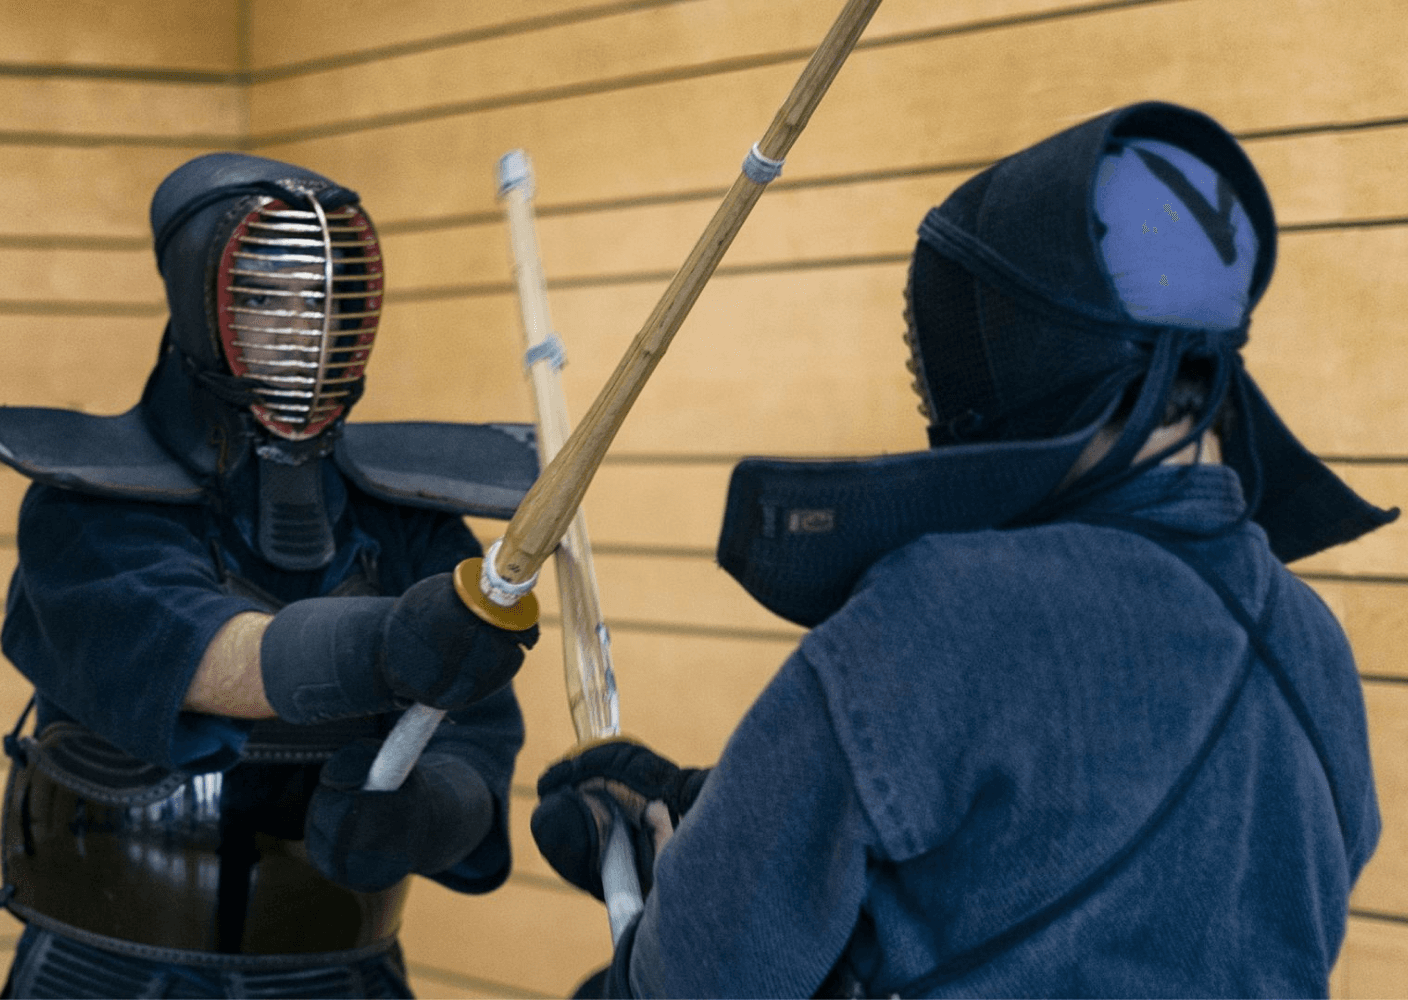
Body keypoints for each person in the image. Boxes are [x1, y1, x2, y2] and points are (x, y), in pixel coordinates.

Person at [529, 101, 1398, 998]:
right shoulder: (1311, 649)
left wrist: (660, 924)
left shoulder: (943, 610)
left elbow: (701, 979)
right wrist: (720, 808)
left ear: (1025, 351)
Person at [0, 153, 541, 998]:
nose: (300, 330)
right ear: (198, 301)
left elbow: (475, 725)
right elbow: (202, 655)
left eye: (323, 302)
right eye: (261, 297)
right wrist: (388, 644)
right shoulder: (88, 509)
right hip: (112, 970)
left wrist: (437, 809)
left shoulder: (406, 517)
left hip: (338, 969)